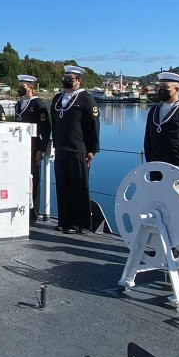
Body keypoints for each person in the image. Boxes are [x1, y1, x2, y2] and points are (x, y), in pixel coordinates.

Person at [50, 65, 100, 234]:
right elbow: (54, 124)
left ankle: (78, 224)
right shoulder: (57, 99)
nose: (66, 80)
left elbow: (94, 126)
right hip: (61, 148)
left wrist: (92, 149)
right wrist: (54, 144)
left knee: (78, 186)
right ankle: (64, 220)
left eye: (70, 78)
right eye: (65, 77)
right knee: (63, 186)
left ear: (78, 80)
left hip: (79, 149)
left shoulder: (86, 99)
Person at [15, 75, 52, 223]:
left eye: (22, 86)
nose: (19, 88)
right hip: (19, 148)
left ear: (30, 86)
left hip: (33, 147)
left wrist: (41, 150)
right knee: (20, 179)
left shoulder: (38, 104)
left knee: (34, 180)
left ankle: (33, 213)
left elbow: (45, 129)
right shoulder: (18, 104)